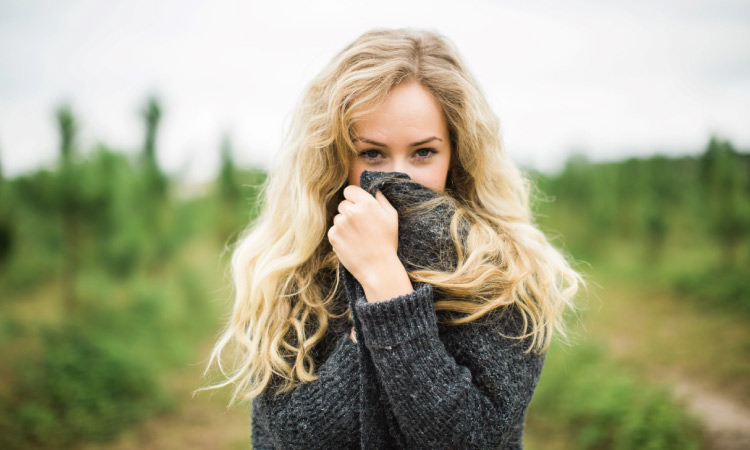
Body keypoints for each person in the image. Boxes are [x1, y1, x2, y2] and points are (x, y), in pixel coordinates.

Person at [201, 28, 583, 450]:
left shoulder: (504, 272)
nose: (397, 179)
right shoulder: (294, 270)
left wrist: (385, 285)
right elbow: (297, 437)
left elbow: (472, 439)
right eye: (372, 154)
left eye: (423, 152)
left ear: (456, 153)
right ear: (335, 158)